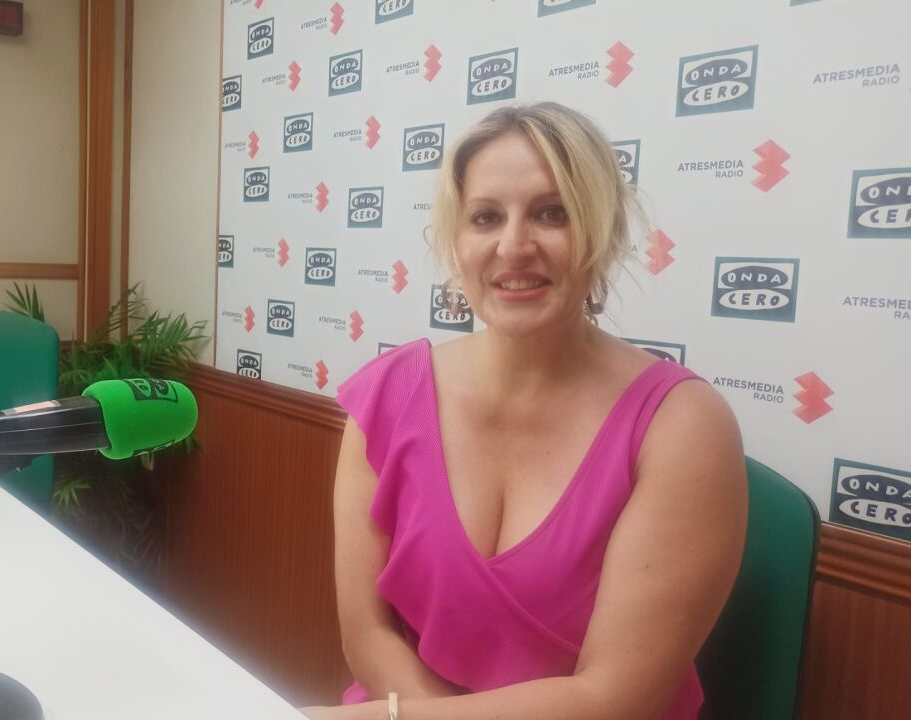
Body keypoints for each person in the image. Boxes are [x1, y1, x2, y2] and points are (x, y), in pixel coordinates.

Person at [301, 103, 747, 720]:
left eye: (552, 213)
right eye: (485, 217)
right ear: (456, 242)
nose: (514, 247)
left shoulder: (684, 425)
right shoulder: (386, 399)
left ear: (602, 232)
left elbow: (615, 699)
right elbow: (368, 637)